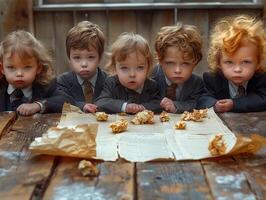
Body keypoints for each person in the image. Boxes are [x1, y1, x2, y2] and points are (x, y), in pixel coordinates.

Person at [197, 15, 266, 112]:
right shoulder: (213, 79)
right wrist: (215, 105)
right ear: (219, 63)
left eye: (246, 62)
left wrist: (234, 104)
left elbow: (263, 99)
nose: (237, 69)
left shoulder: (262, 79)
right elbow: (202, 99)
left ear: (258, 62)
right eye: (229, 62)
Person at [0, 30, 69, 115]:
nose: (19, 74)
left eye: (27, 67)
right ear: (2, 68)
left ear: (38, 68)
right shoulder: (1, 87)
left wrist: (38, 105)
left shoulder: (46, 86)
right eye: (11, 67)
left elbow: (66, 100)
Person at [95, 32, 161, 114]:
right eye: (124, 68)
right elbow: (101, 102)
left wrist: (143, 107)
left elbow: (158, 104)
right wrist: (124, 106)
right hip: (117, 125)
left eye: (140, 67)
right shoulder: (111, 83)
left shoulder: (151, 85)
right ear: (115, 68)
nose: (132, 74)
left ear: (148, 68)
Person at [57, 21, 107, 113]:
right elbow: (62, 102)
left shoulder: (109, 82)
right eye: (77, 58)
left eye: (90, 57)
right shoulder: (63, 82)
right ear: (69, 58)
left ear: (99, 57)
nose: (84, 64)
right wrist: (82, 106)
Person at [153, 23, 204, 113]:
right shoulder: (150, 77)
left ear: (195, 62)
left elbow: (195, 104)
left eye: (185, 64)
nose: (177, 70)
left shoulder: (197, 83)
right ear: (160, 60)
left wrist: (175, 106)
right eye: (170, 63)